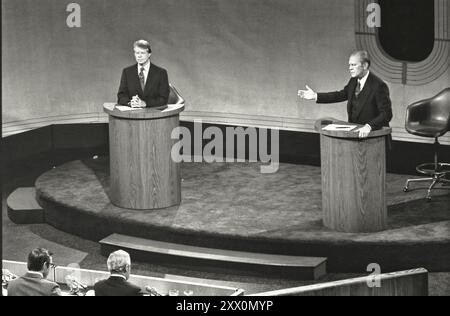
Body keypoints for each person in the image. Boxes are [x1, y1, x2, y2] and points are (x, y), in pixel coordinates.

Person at [298, 50, 392, 138]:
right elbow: (341, 95)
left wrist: (369, 126)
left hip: (375, 137)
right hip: (355, 135)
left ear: (365, 65)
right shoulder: (353, 81)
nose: (350, 68)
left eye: (354, 65)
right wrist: (316, 96)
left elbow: (386, 114)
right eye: (349, 65)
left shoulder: (378, 85)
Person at [117, 39, 170, 108]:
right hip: (132, 115)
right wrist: (130, 103)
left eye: (142, 53)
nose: (139, 56)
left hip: (154, 115)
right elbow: (121, 96)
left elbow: (164, 99)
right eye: (137, 53)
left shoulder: (161, 73)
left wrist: (145, 103)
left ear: (149, 54)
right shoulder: (127, 72)